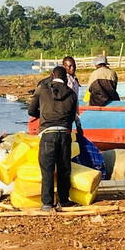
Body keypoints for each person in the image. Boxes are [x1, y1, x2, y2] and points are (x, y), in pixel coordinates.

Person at [27, 66, 78, 212]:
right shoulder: (72, 94)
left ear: (52, 75)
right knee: (64, 168)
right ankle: (63, 200)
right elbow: (71, 117)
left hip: (48, 133)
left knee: (47, 169)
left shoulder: (42, 89)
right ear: (65, 78)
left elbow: (31, 110)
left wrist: (43, 113)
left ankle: (47, 203)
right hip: (64, 134)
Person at [62, 56, 84, 133]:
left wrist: (78, 123)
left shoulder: (74, 80)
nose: (72, 68)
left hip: (72, 115)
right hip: (64, 115)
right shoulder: (64, 81)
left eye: (74, 66)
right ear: (64, 67)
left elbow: (75, 101)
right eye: (70, 66)